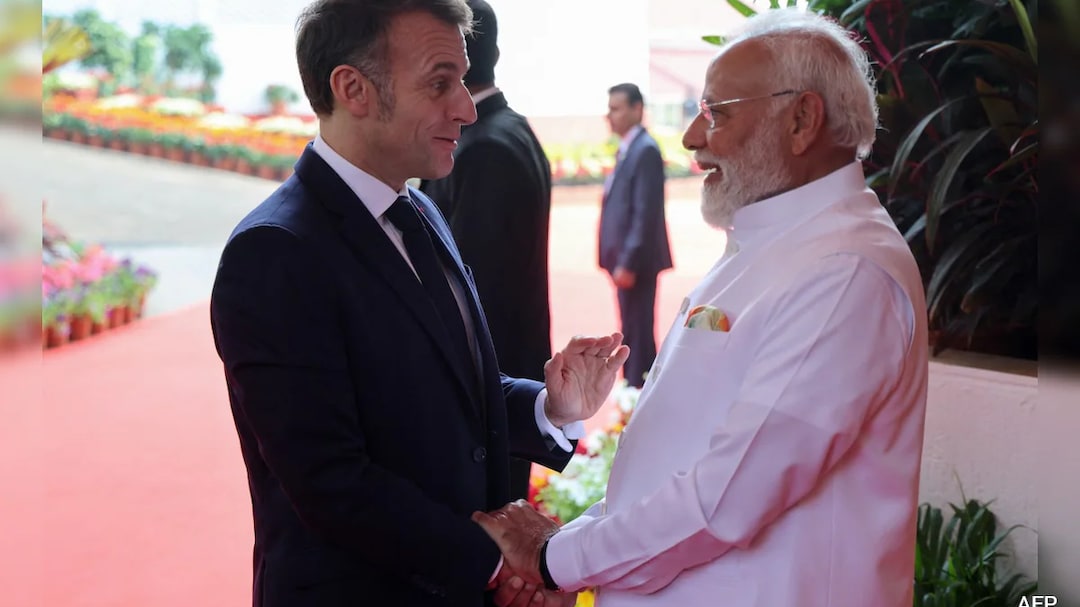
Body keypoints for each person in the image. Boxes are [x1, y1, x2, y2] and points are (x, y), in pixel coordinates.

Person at [472, 8, 929, 607]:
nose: (691, 137)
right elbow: (673, 470)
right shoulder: (777, 242)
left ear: (801, 119)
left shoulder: (844, 271)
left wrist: (554, 559)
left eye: (716, 112)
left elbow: (727, 495)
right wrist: (571, 559)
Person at [208, 1, 628, 605]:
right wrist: (498, 556)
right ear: (353, 88)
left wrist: (549, 405)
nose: (463, 106)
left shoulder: (419, 209)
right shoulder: (276, 251)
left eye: (462, 78)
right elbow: (331, 482)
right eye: (440, 83)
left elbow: (447, 395)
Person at [420, 0, 553, 504]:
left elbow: (472, 290)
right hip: (506, 375)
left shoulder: (483, 147)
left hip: (491, 388)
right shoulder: (504, 129)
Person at [599, 82, 673, 389]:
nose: (610, 116)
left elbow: (645, 213)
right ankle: (635, 390)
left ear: (637, 109)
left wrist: (628, 262)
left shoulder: (645, 150)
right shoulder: (630, 147)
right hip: (627, 261)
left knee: (639, 332)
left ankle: (639, 394)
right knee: (631, 329)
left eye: (616, 108)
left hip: (637, 264)